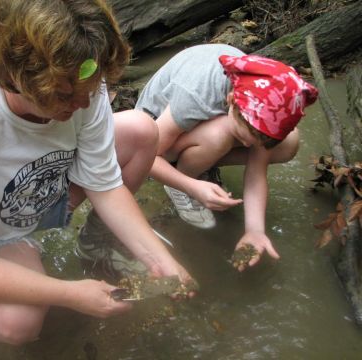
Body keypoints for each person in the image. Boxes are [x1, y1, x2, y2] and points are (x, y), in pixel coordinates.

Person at [0, 0, 193, 345]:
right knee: (18, 324)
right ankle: (0, 274)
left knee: (140, 132)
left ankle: (94, 243)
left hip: (41, 190)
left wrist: (160, 259)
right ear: (15, 78)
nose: (85, 104)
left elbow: (104, 184)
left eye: (91, 89)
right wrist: (71, 293)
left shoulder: (80, 76)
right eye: (65, 96)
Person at [128, 44, 318, 271]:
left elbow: (257, 172)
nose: (246, 147)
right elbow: (147, 157)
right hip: (155, 134)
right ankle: (181, 181)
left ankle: (202, 164)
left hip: (199, 127)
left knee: (289, 143)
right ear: (230, 99)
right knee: (219, 136)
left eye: (251, 143)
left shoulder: (265, 107)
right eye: (243, 138)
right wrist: (191, 186)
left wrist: (254, 230)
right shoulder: (195, 95)